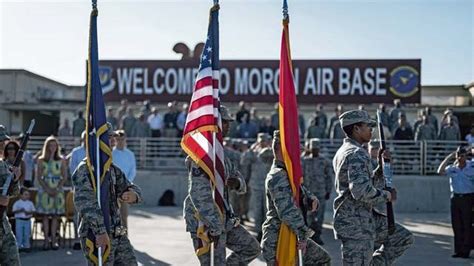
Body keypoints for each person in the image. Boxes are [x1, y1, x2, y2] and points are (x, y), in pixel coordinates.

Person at [183, 105, 260, 265]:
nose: (228, 126)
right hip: (204, 222)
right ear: (213, 124)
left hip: (224, 218)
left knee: (251, 248)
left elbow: (239, 181)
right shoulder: (201, 156)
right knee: (212, 263)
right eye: (224, 122)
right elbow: (198, 195)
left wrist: (236, 183)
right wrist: (215, 227)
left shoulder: (221, 154)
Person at [333, 110, 411, 264]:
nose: (371, 130)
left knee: (401, 237)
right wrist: (386, 195)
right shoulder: (356, 154)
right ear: (356, 128)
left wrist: (381, 169)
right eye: (368, 126)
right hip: (356, 224)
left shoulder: (346, 151)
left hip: (363, 219)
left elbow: (365, 184)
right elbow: (361, 191)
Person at [261, 130, 331, 265]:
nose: (298, 152)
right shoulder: (277, 175)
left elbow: (300, 190)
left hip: (292, 232)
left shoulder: (288, 172)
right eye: (293, 148)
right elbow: (287, 211)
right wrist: (304, 234)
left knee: (322, 259)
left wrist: (310, 199)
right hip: (279, 238)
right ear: (283, 149)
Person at [72, 143, 142, 265]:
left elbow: (129, 186)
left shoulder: (111, 168)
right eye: (107, 138)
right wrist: (100, 231)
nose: (111, 143)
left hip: (118, 230)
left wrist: (134, 195)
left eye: (111, 140)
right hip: (96, 232)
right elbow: (86, 204)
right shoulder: (85, 170)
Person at [367, 140, 414, 264]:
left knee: (385, 241)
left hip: (382, 206)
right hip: (370, 207)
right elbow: (367, 188)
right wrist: (385, 194)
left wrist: (390, 192)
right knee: (371, 245)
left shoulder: (384, 164)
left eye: (376, 149)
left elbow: (386, 181)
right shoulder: (365, 164)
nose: (374, 151)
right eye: (372, 149)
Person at [437, 146, 474, 258]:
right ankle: (458, 250)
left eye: (462, 155)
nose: (460, 158)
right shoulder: (452, 168)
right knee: (457, 225)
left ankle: (466, 251)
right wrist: (449, 157)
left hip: (468, 198)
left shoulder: (471, 166)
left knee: (467, 225)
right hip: (456, 198)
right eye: (458, 155)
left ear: (466, 156)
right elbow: (440, 171)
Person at [36, 135, 67, 250]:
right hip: (44, 189)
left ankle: (54, 240)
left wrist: (57, 188)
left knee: (55, 215)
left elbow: (64, 176)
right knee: (45, 216)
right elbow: (39, 177)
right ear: (46, 146)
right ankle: (45, 240)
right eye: (50, 145)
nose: (52, 147)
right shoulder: (41, 160)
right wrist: (47, 189)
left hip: (57, 189)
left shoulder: (61, 159)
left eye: (54, 145)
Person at [301, 138, 333, 245]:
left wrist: (328, 190)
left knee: (320, 216)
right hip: (308, 193)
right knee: (309, 217)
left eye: (316, 148)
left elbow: (329, 177)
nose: (315, 150)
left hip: (320, 192)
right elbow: (301, 176)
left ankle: (318, 235)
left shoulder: (324, 161)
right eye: (313, 148)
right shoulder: (305, 160)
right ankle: (310, 237)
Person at [240, 133, 272, 241]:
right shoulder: (253, 153)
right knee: (257, 210)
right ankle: (259, 231)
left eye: (264, 141)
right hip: (256, 186)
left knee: (268, 210)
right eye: (261, 141)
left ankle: (268, 232)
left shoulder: (271, 152)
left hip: (269, 187)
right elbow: (243, 161)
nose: (262, 143)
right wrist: (250, 150)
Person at [112, 130, 137, 228]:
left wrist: (127, 183)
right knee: (113, 215)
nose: (120, 141)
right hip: (113, 188)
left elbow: (133, 170)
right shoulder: (111, 154)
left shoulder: (130, 154)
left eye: (122, 139)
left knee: (124, 215)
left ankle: (125, 239)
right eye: (118, 139)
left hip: (125, 188)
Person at [0, 154, 21, 265]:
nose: (3, 144)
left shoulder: (3, 165)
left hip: (4, 227)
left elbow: (14, 192)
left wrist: (15, 179)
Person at [12, 188, 35, 252]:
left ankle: (26, 246)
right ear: (21, 195)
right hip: (19, 220)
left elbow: (33, 211)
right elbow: (13, 211)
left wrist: (28, 212)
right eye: (25, 194)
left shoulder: (30, 203)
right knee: (19, 233)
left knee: (27, 234)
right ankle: (19, 246)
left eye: (28, 195)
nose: (27, 196)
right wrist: (20, 210)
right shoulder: (17, 203)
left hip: (27, 220)